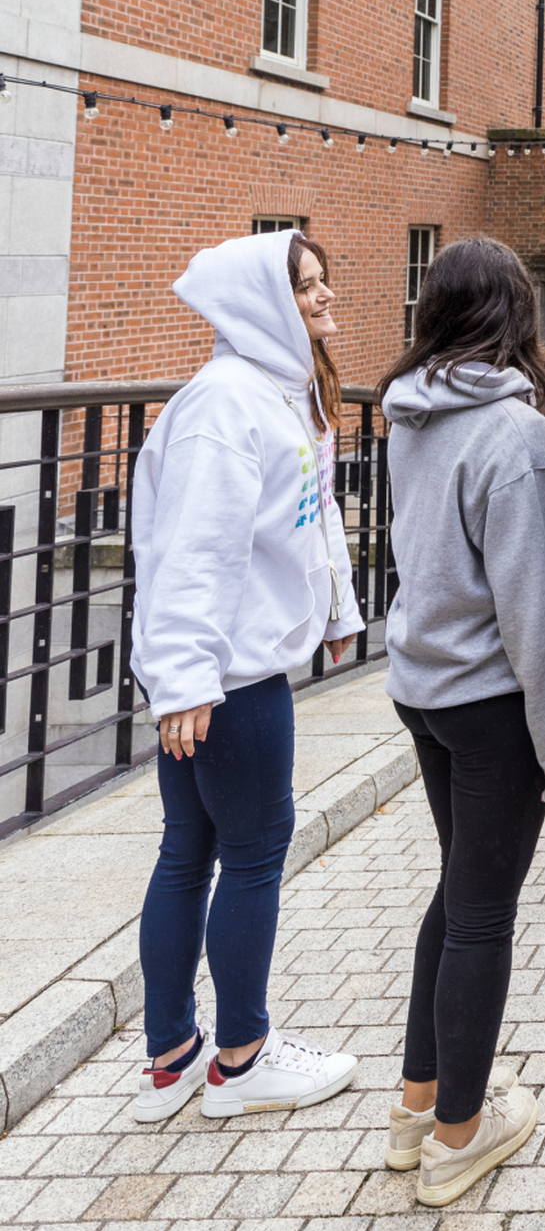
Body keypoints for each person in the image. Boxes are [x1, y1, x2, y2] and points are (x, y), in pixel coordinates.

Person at [128, 229, 362, 1123]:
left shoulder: (279, 394)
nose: (326, 299)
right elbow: (194, 548)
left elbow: (310, 520)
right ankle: (243, 1057)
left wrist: (336, 611)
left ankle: (173, 1056)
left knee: (188, 853)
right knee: (251, 855)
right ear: (263, 301)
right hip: (231, 683)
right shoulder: (226, 405)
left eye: (323, 282)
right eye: (307, 288)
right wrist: (184, 678)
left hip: (222, 674)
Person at [378, 236, 545, 1207]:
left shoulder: (406, 411)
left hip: (421, 687)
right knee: (484, 913)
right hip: (490, 698)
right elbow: (536, 609)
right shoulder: (512, 435)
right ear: (518, 315)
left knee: (455, 895)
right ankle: (462, 1132)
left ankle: (418, 1105)